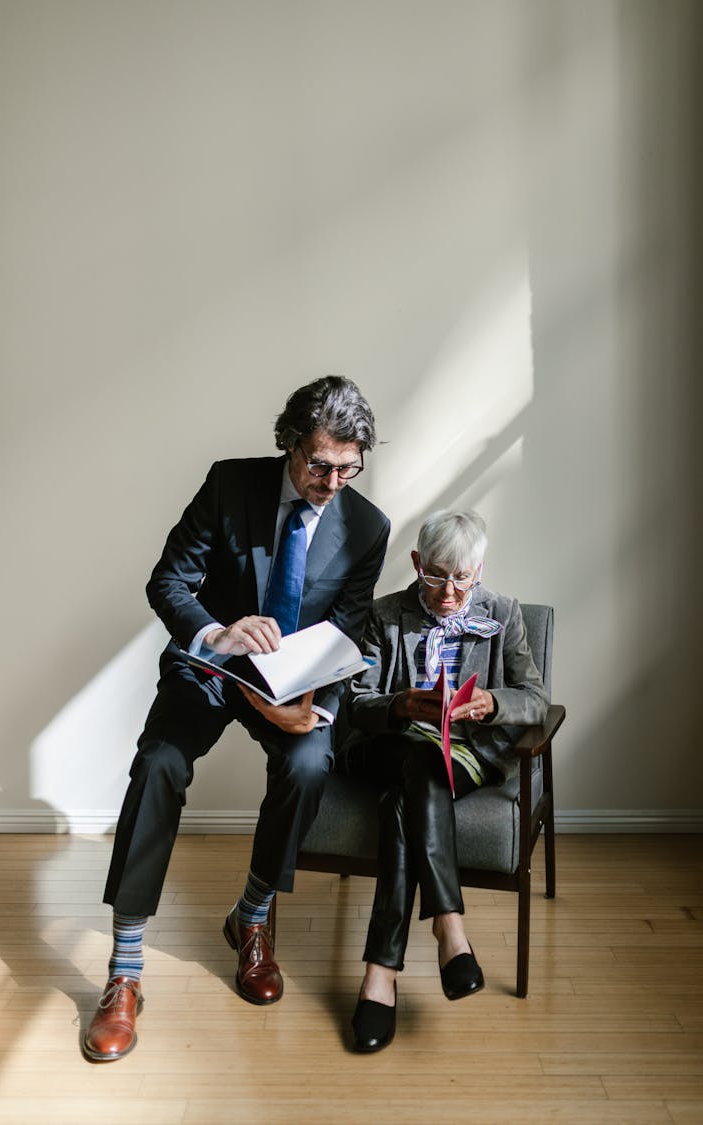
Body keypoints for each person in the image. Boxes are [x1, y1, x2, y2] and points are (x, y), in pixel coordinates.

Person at [82, 376, 390, 1062]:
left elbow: (351, 633)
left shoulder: (367, 526)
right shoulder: (229, 485)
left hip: (292, 687)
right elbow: (167, 579)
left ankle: (250, 919)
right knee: (158, 760)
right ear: (288, 443)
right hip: (214, 666)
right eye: (319, 464)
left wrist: (314, 707)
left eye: (348, 466)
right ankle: (125, 969)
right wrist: (217, 632)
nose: (332, 480)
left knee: (311, 763)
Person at [341, 509, 548, 1052]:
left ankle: (379, 977)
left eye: (462, 577)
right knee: (417, 760)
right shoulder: (384, 614)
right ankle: (449, 928)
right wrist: (401, 704)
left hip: (466, 754)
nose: (450, 591)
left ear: (479, 570)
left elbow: (536, 697)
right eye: (436, 575)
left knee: (407, 798)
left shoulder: (503, 613)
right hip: (389, 748)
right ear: (416, 564)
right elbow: (353, 702)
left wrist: (492, 702)